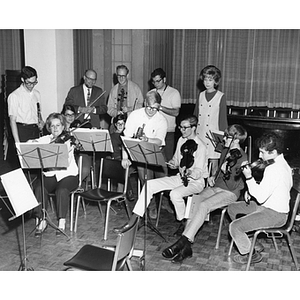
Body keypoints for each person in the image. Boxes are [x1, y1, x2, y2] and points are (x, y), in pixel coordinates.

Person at [161, 124, 248, 263]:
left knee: (204, 205)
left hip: (230, 192)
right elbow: (218, 174)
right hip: (217, 187)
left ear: (236, 140)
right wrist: (214, 176)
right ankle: (186, 248)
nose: (223, 138)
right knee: (194, 201)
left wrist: (227, 171)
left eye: (227, 137)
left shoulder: (242, 158)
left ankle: (182, 242)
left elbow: (233, 185)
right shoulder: (226, 151)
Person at [114, 115, 208, 235]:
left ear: (194, 128)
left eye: (185, 128)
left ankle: (185, 222)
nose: (182, 130)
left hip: (196, 182)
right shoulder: (181, 140)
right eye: (180, 127)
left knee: (175, 194)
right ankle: (134, 220)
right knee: (149, 185)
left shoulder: (201, 146)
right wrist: (173, 164)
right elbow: (176, 160)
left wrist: (189, 171)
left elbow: (199, 172)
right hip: (180, 178)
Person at [226, 132, 293, 264]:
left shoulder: (275, 169)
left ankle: (250, 254)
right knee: (232, 208)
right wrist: (252, 190)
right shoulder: (281, 163)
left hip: (275, 214)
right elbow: (269, 188)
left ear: (273, 152)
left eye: (262, 152)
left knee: (235, 226)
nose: (259, 156)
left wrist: (249, 178)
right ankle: (249, 241)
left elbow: (261, 197)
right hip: (267, 206)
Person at [29, 113, 79, 237]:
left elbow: (65, 162)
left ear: (63, 126)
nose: (55, 128)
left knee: (62, 190)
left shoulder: (68, 140)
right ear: (49, 128)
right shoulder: (46, 139)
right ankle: (42, 220)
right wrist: (32, 141)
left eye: (58, 125)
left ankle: (61, 221)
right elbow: (32, 143)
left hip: (68, 174)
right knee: (39, 187)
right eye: (52, 126)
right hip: (51, 174)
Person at [121, 90, 168, 185]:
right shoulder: (134, 115)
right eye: (149, 107)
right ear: (145, 103)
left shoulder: (162, 120)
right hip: (140, 153)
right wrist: (125, 158)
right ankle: (147, 199)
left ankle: (161, 199)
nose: (151, 111)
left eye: (155, 108)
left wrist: (147, 140)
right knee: (146, 183)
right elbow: (126, 138)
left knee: (163, 181)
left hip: (156, 151)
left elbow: (159, 141)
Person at [194, 65, 228, 177]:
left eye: (210, 80)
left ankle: (212, 188)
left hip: (214, 136)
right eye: (205, 79)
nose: (207, 83)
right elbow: (195, 115)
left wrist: (222, 139)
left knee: (213, 165)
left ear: (216, 81)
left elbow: (223, 120)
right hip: (200, 134)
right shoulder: (201, 95)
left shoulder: (220, 96)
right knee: (199, 164)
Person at [150, 68, 181, 162]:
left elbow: (176, 112)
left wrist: (160, 107)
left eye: (158, 81)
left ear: (164, 79)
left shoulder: (174, 92)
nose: (156, 84)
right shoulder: (151, 93)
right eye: (154, 82)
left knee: (166, 161)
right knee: (154, 160)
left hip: (168, 132)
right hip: (153, 132)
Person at [7, 66, 44, 143]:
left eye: (34, 83)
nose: (32, 86)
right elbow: (12, 121)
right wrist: (17, 142)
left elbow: (38, 114)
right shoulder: (14, 96)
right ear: (22, 79)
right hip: (22, 131)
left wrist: (41, 121)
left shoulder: (37, 94)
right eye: (29, 83)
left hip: (35, 130)